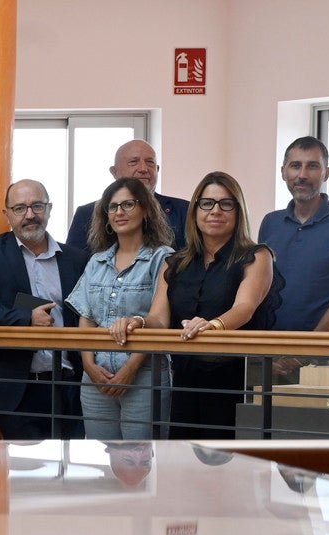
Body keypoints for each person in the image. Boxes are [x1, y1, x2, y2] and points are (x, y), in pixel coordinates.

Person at [114, 172, 276, 438]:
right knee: (184, 465)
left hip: (236, 381)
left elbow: (244, 308)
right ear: (195, 210)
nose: (215, 211)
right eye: (207, 203)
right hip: (185, 379)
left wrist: (212, 325)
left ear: (238, 211)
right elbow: (158, 318)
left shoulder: (256, 256)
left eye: (226, 204)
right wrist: (138, 322)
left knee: (230, 467)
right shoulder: (175, 263)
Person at [0, 179, 88, 441]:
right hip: (15, 387)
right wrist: (27, 318)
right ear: (6, 214)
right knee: (23, 473)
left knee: (69, 472)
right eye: (20, 208)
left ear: (49, 209)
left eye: (37, 206)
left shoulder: (76, 259)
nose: (30, 215)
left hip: (69, 385)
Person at [67, 178, 174, 441]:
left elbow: (159, 321)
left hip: (144, 375)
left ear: (146, 209)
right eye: (112, 207)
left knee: (141, 461)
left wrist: (131, 368)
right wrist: (88, 366)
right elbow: (87, 319)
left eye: (128, 204)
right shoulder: (96, 261)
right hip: (96, 377)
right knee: (101, 459)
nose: (119, 212)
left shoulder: (163, 257)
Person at [258, 137, 329, 335]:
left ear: (326, 173)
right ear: (283, 172)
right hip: (270, 348)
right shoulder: (270, 222)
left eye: (312, 166)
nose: (302, 175)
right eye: (295, 166)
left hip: (323, 352)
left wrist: (307, 351)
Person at [63, 139, 189, 255]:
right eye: (133, 162)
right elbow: (75, 265)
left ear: (157, 169)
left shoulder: (183, 210)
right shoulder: (87, 214)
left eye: (150, 162)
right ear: (114, 172)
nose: (143, 169)